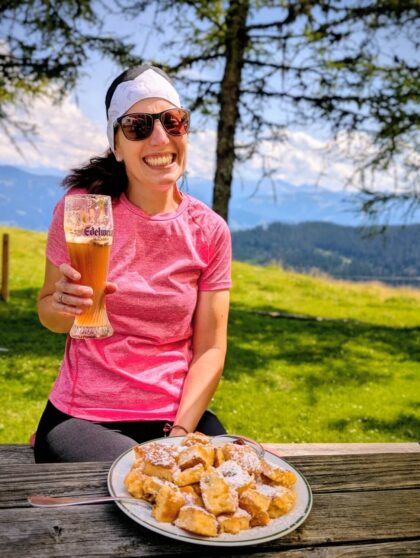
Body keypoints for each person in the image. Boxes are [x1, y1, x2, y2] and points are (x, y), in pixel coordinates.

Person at [34, 64, 231, 462]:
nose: (160, 138)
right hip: (84, 416)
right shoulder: (83, 209)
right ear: (117, 146)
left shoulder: (209, 230)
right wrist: (62, 306)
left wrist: (180, 434)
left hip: (175, 415)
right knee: (138, 478)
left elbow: (210, 349)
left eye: (173, 122)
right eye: (138, 126)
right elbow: (49, 314)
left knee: (229, 479)